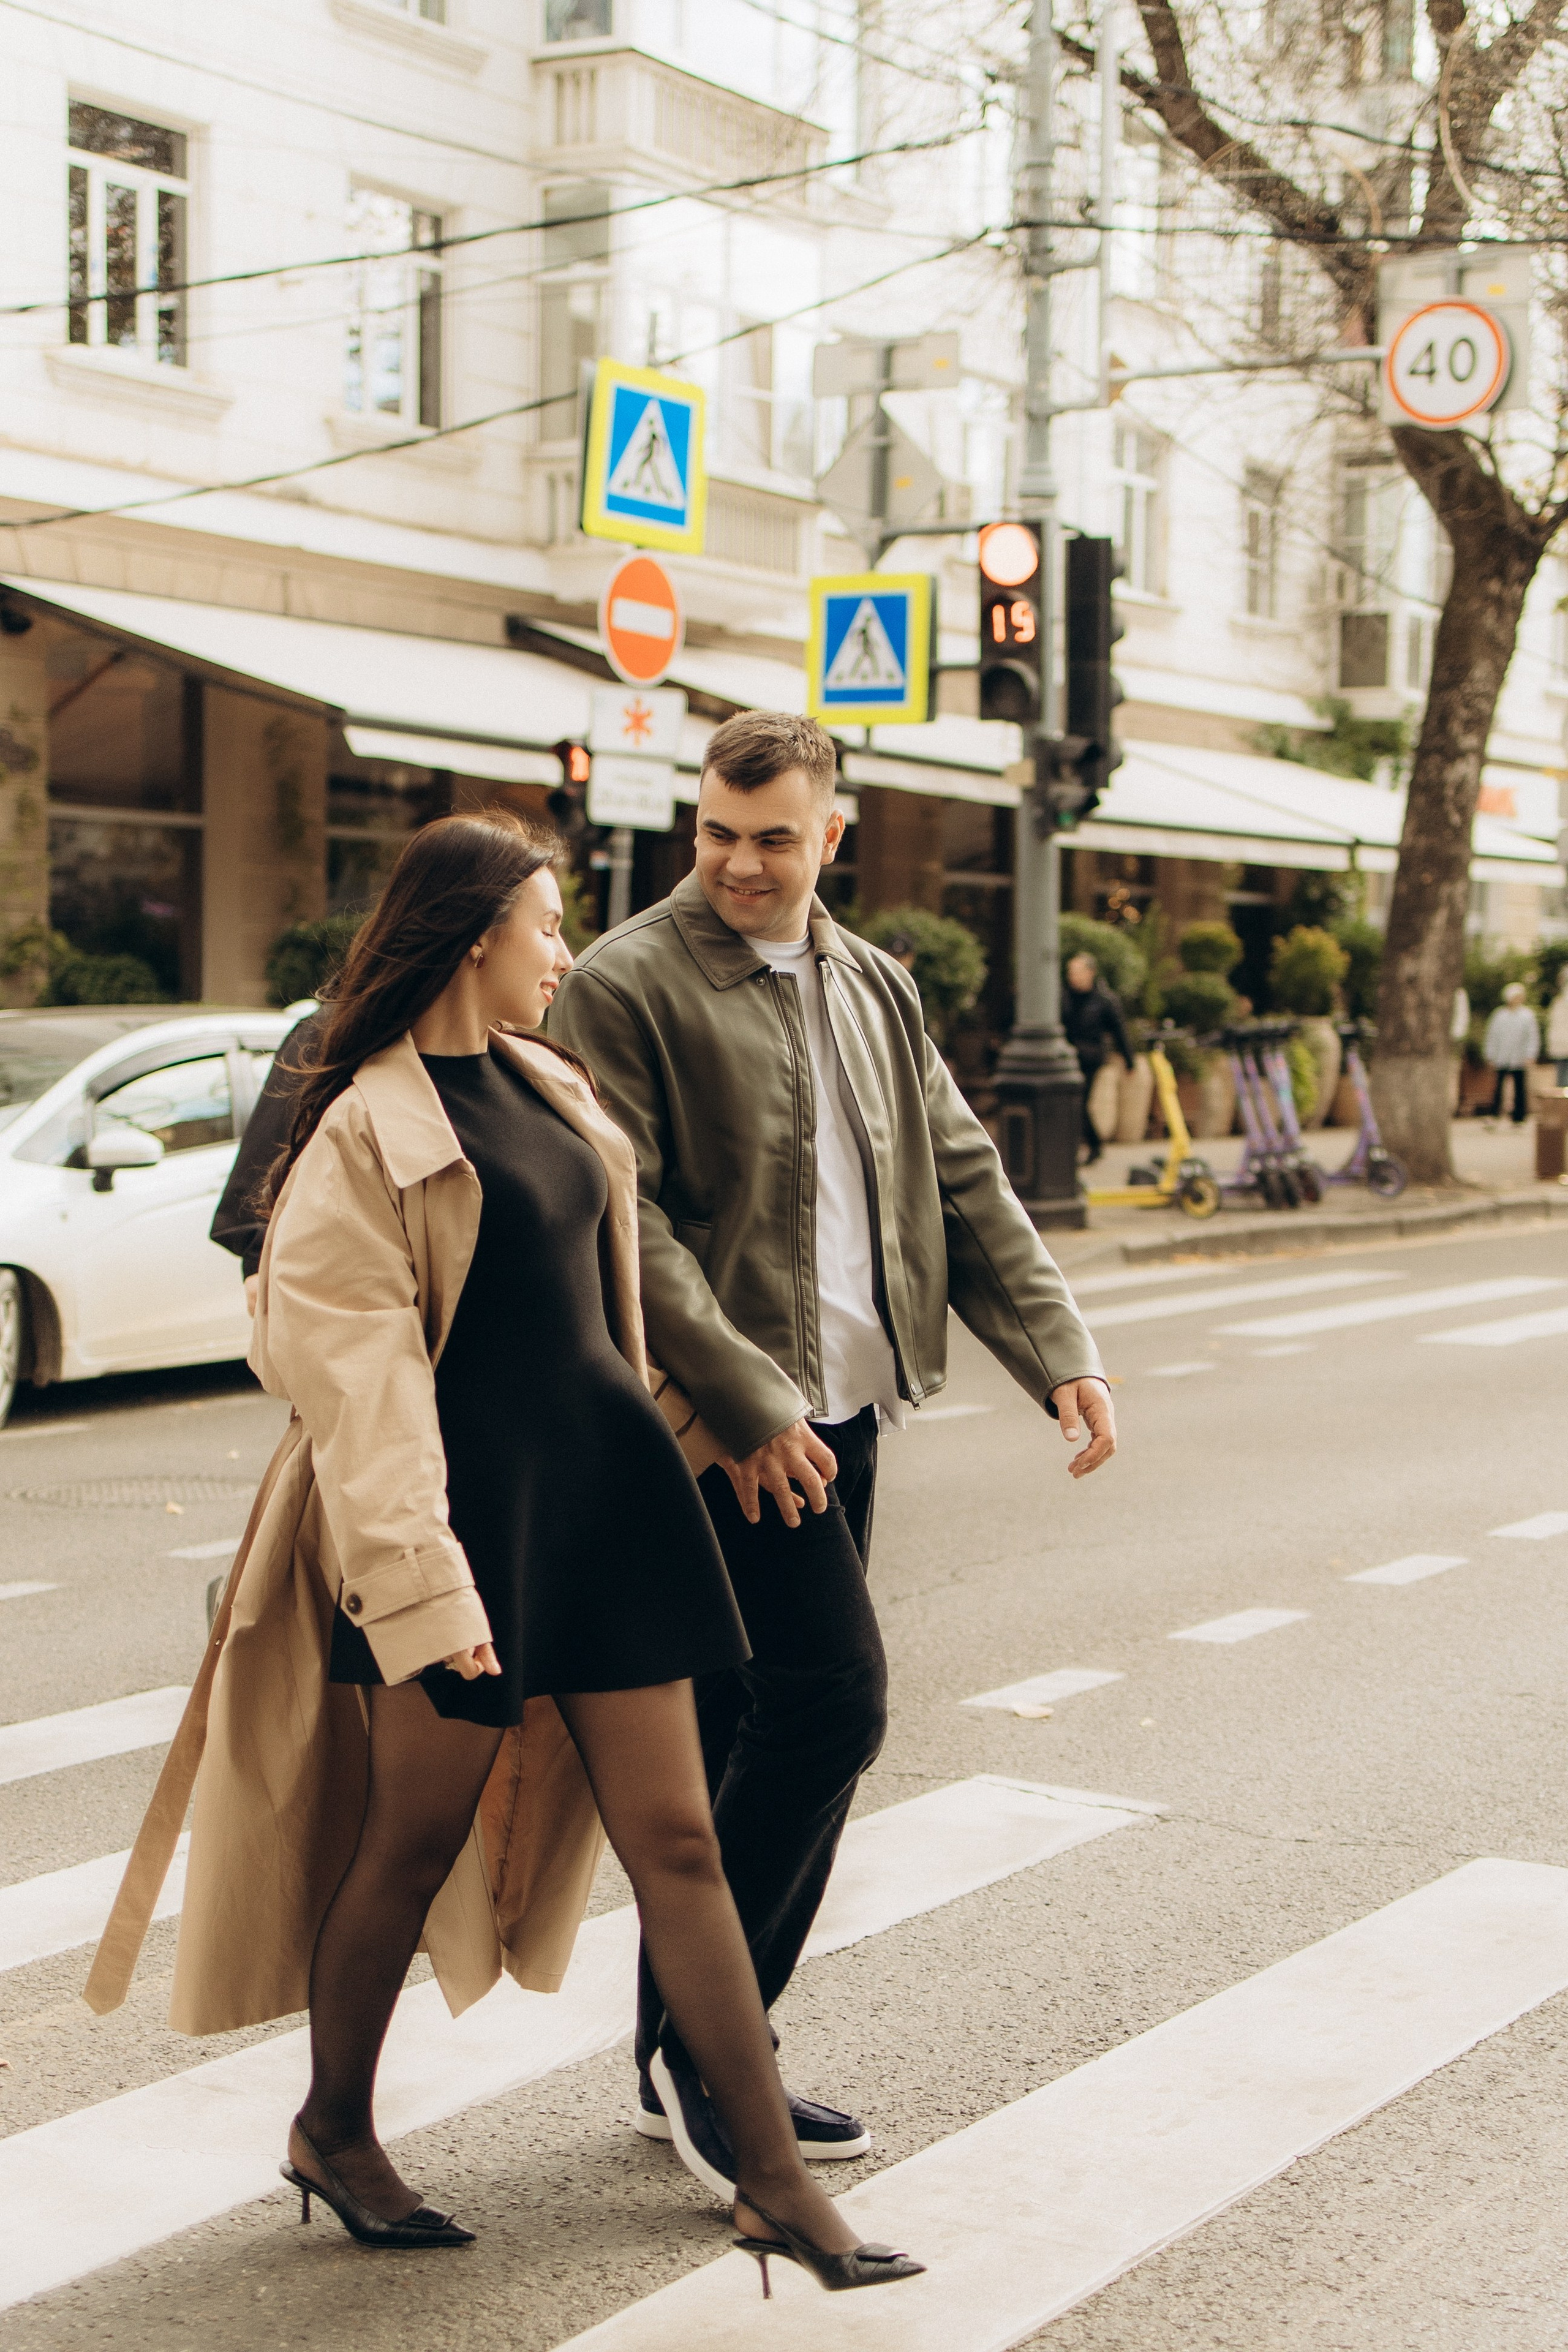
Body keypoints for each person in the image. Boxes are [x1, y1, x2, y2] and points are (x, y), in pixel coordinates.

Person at [88, 811, 922, 2298]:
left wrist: (708, 1421)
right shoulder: (362, 1130)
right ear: (477, 935)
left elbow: (601, 1313)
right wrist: (424, 1586)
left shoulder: (547, 1083)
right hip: (464, 1534)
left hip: (605, 1510)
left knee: (676, 1841)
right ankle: (333, 2127)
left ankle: (773, 2184)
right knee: (405, 1845)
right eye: (544, 926)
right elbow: (364, 1392)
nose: (562, 951)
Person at [551, 710, 1114, 2199]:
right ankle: (711, 2063)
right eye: (717, 835)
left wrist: (1059, 1348)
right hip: (720, 1431)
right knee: (829, 1705)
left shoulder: (869, 980)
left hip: (843, 1410)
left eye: (772, 838)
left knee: (751, 1732)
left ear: (830, 836)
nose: (738, 864)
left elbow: (960, 1172)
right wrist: (739, 1401)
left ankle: (692, 2043)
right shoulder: (628, 982)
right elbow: (628, 1218)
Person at [1061, 950, 1135, 1165]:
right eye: (1070, 972)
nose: (1073, 977)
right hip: (1067, 1058)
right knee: (1073, 1104)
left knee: (1079, 1103)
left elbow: (1119, 1031)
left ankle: (1089, 1147)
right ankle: (1088, 1147)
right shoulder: (1063, 997)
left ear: (1091, 973)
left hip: (1090, 1059)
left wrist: (1129, 1060)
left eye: (1078, 972)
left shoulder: (1104, 1000)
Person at [1483, 980, 1539, 1125]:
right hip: (1502, 1057)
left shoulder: (1527, 1015)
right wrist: (1490, 1055)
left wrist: (1530, 1054)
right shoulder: (1499, 1016)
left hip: (1519, 1057)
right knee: (1498, 1088)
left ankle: (1519, 1117)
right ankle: (1495, 1114)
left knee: (1520, 1088)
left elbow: (1532, 1036)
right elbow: (1492, 1036)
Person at [1548, 967, 1568, 1089]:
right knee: (1562, 1083)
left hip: (1561, 1046)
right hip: (1561, 1047)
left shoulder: (1558, 1003)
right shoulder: (1558, 1003)